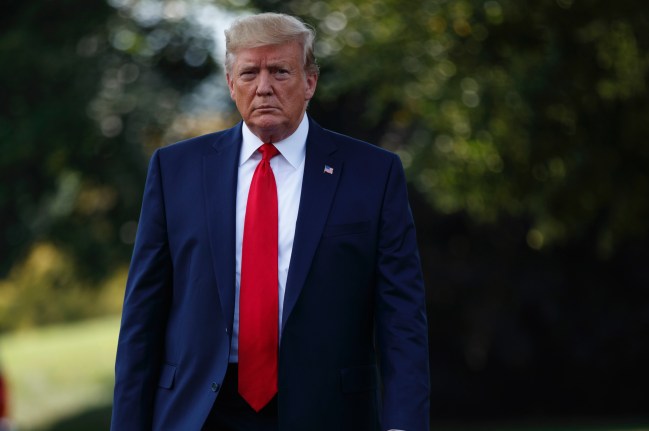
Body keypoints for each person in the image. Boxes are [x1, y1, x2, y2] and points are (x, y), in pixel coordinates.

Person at [111, 12, 430, 431]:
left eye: (280, 71)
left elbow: (401, 319)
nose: (263, 87)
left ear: (310, 81)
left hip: (327, 413)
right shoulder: (175, 170)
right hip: (199, 413)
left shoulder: (373, 173)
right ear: (230, 84)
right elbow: (142, 315)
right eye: (249, 73)